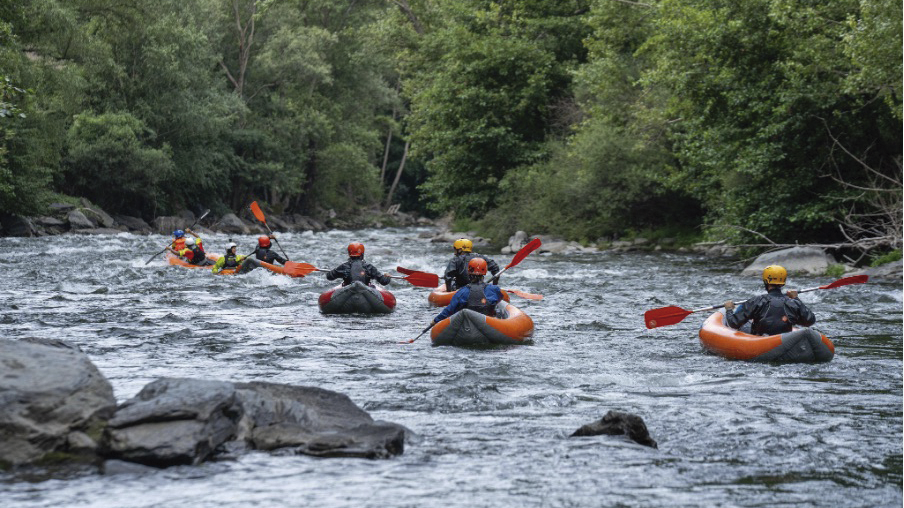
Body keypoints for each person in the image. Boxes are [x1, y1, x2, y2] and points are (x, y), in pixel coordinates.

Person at [724, 265, 816, 336]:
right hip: (785, 341)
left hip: (761, 341)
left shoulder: (757, 301)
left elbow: (733, 323)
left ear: (765, 281)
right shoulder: (793, 302)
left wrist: (729, 310)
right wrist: (796, 298)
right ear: (783, 282)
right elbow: (809, 321)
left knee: (745, 323)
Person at [433, 258, 504, 323]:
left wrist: (435, 321)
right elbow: (500, 299)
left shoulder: (462, 292)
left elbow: (449, 310)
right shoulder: (495, 289)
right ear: (485, 271)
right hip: (489, 324)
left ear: (469, 272)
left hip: (468, 325)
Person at [325, 242, 391, 286]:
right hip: (365, 293)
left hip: (348, 292)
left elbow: (329, 276)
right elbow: (384, 281)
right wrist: (387, 276)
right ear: (362, 254)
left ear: (349, 254)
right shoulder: (369, 267)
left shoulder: (343, 267)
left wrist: (334, 271)